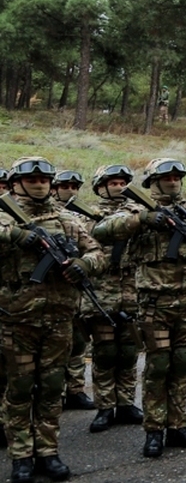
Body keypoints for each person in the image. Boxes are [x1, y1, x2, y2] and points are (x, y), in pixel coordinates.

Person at [94, 158, 186, 458]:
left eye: (176, 176)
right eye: (166, 177)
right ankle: (154, 429)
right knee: (158, 365)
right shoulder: (135, 208)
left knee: (181, 362)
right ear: (153, 182)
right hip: (155, 300)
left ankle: (178, 424)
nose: (172, 181)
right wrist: (143, 219)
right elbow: (103, 230)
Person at [1, 157, 105, 483]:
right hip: (16, 319)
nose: (39, 183)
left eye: (44, 179)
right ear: (16, 183)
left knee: (51, 389)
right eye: (31, 178)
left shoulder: (67, 219)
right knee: (18, 390)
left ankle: (48, 451)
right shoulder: (4, 216)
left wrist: (82, 265)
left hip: (59, 319)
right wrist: (16, 235)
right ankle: (21, 456)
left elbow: (98, 252)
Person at [84, 165, 144, 434]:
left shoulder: (139, 211)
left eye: (123, 182)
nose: (119, 187)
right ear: (100, 187)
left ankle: (126, 402)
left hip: (133, 290)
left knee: (129, 350)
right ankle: (105, 406)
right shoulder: (86, 215)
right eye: (113, 183)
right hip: (102, 292)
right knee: (106, 352)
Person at [52, 169, 96, 411]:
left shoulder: (81, 214)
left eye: (75, 186)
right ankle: (56, 392)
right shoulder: (45, 215)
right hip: (50, 288)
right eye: (65, 186)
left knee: (78, 341)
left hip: (77, 285)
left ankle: (76, 390)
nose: (71, 190)